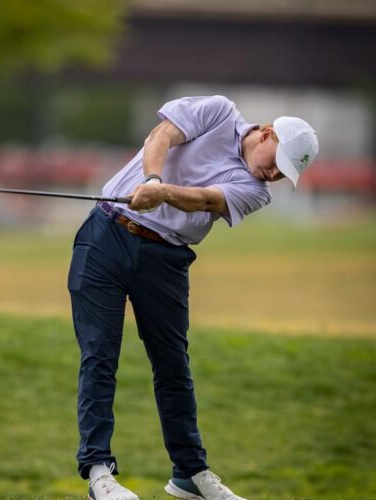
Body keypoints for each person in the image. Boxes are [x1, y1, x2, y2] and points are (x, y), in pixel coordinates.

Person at [67, 95, 319, 500]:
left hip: (166, 260)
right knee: (99, 354)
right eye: (276, 162)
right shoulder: (218, 111)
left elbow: (206, 200)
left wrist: (162, 193)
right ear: (267, 133)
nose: (273, 174)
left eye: (282, 173)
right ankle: (99, 472)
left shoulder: (255, 192)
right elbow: (162, 134)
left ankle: (190, 474)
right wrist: (151, 181)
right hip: (106, 237)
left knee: (173, 366)